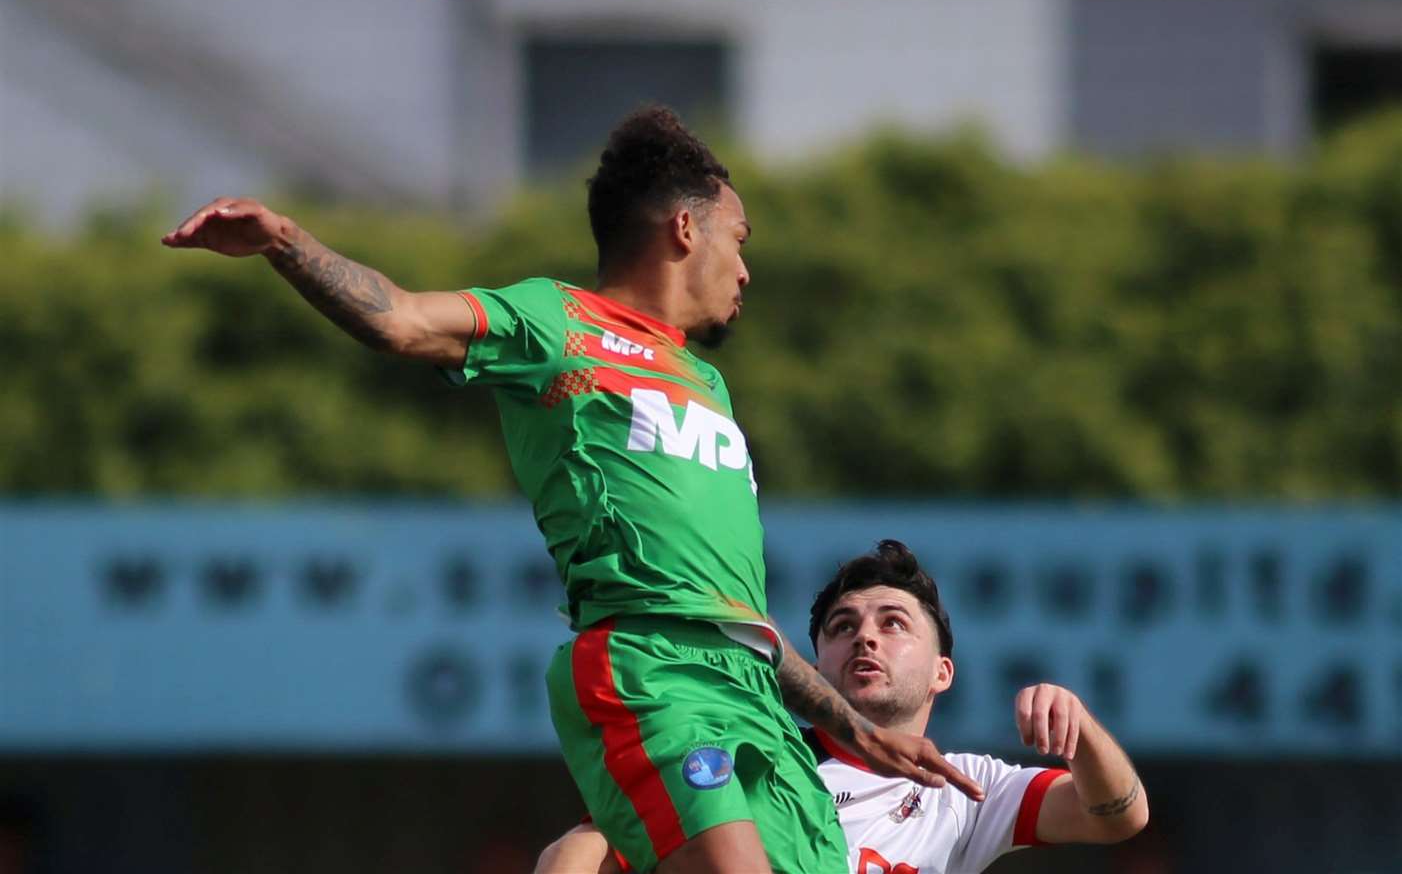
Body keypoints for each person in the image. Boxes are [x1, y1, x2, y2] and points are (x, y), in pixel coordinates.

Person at [161, 107, 982, 874]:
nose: (746, 266)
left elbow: (740, 618)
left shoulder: (707, 384)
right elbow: (401, 319)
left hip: (753, 694)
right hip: (648, 673)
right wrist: (283, 242)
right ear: (685, 228)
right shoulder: (556, 322)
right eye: (740, 237)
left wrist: (854, 728)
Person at [537, 539, 1148, 874]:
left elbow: (1117, 815)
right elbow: (581, 850)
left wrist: (1083, 728)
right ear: (816, 666)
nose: (866, 637)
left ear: (943, 673)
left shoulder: (964, 792)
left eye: (894, 623)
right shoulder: (755, 757)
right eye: (842, 626)